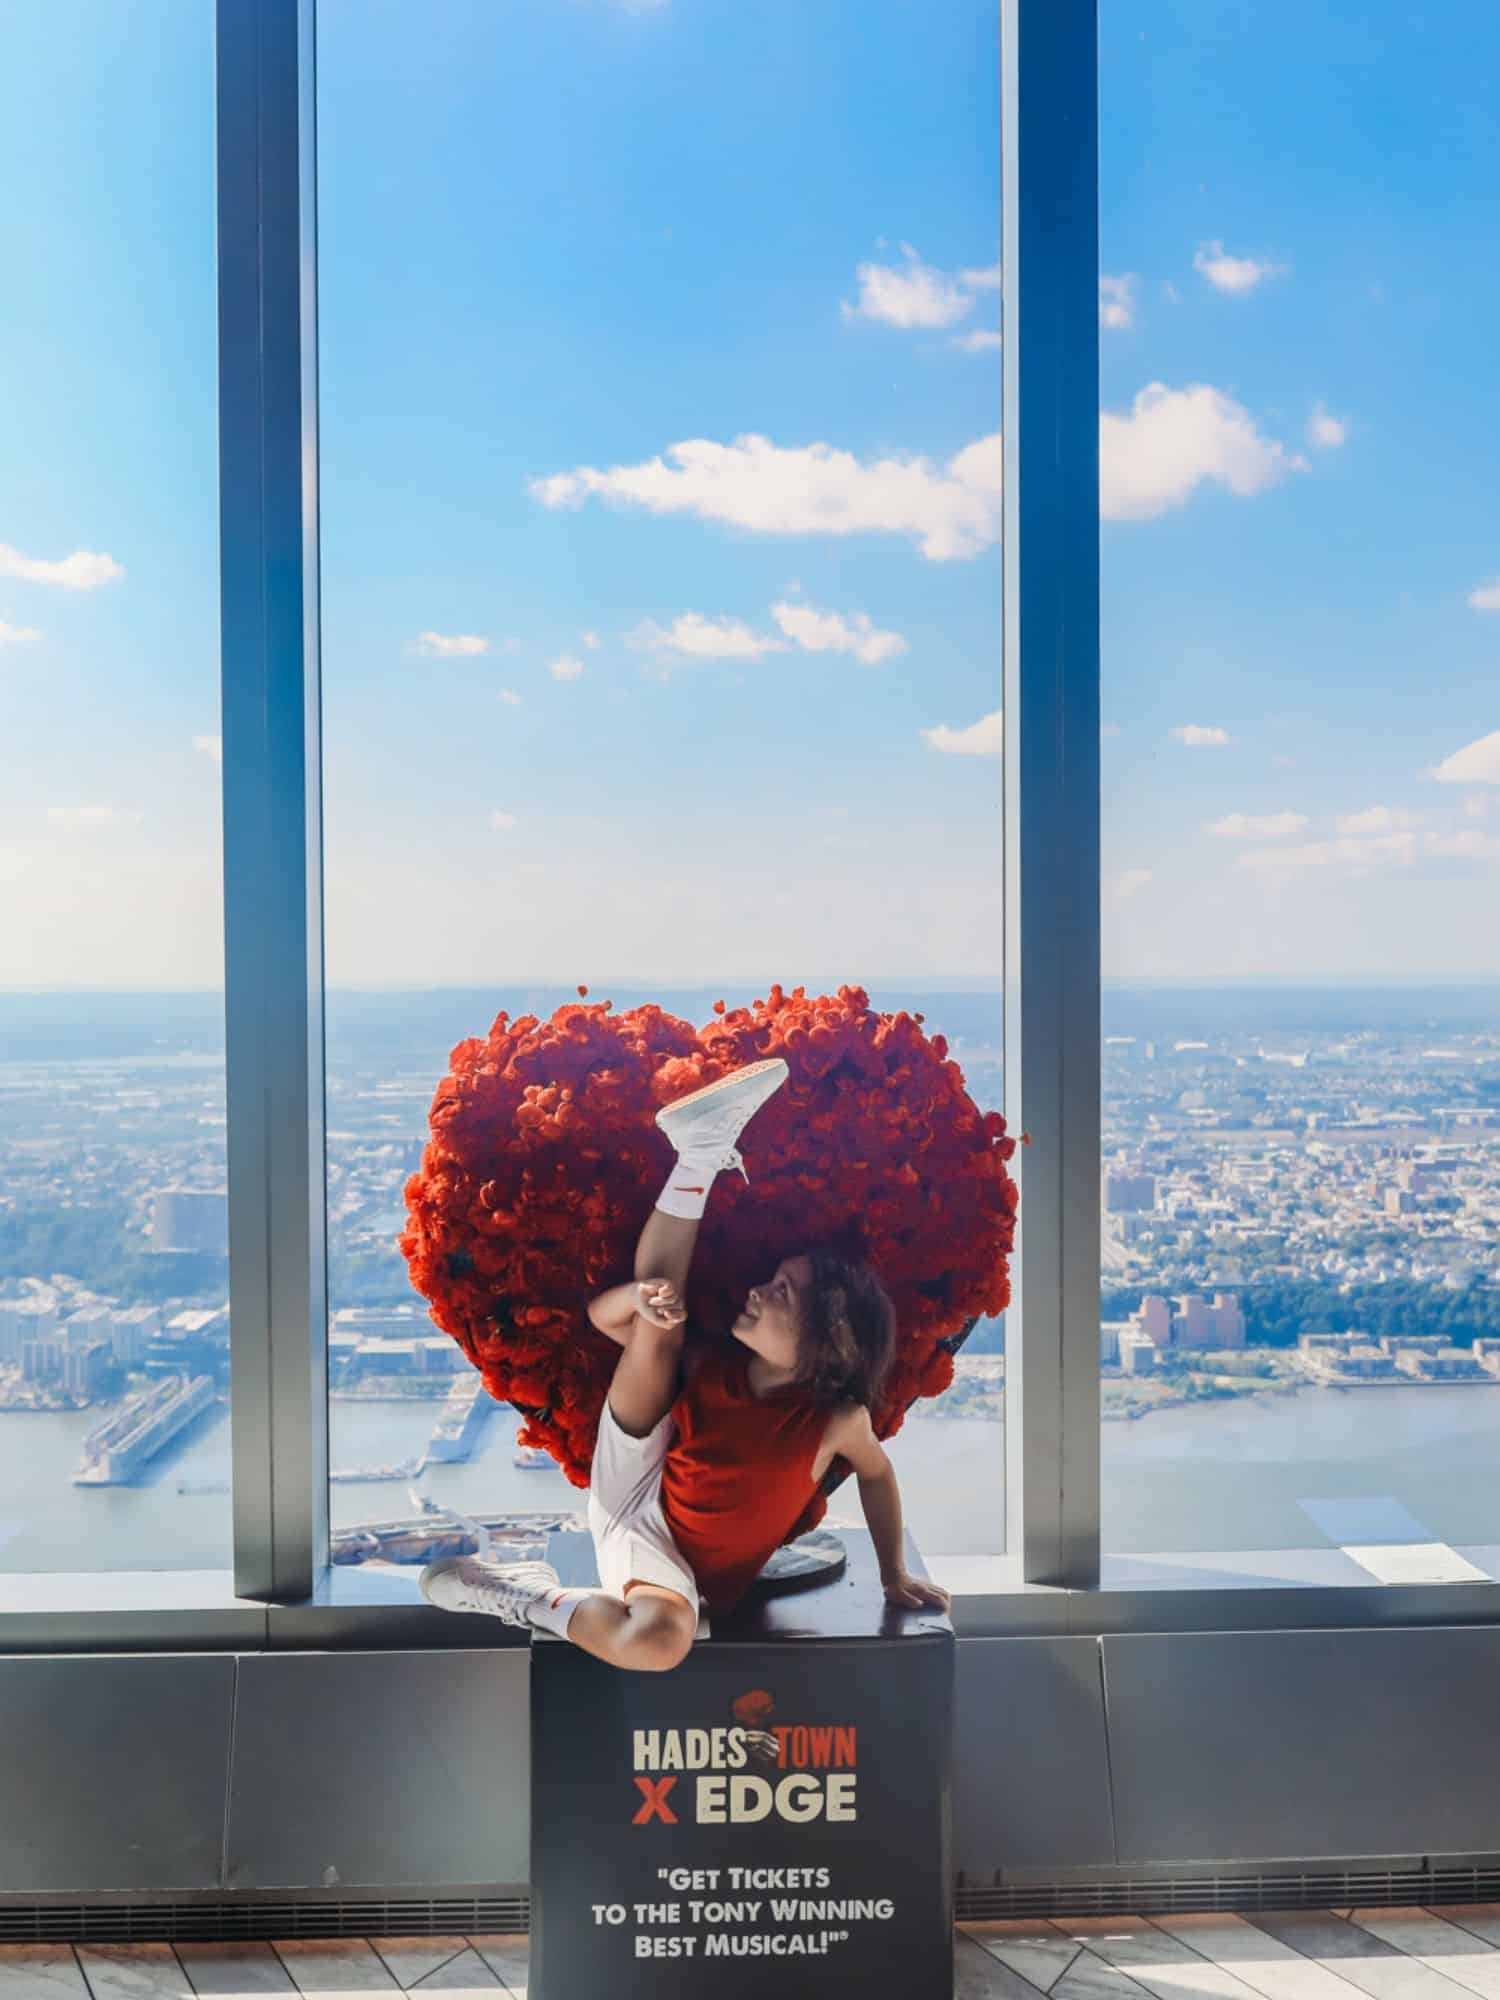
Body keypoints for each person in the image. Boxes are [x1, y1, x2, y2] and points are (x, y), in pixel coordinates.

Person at [420, 1057, 951, 1670]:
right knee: (660, 1639)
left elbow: (878, 1475)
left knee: (665, 1635)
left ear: (827, 1339)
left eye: (783, 1292)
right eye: (772, 1279)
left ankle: (527, 1590)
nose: (758, 1289)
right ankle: (699, 1156)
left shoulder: (837, 1419)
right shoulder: (707, 1364)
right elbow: (606, 1320)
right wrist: (637, 1299)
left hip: (703, 1571)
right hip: (637, 1507)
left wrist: (893, 1574)